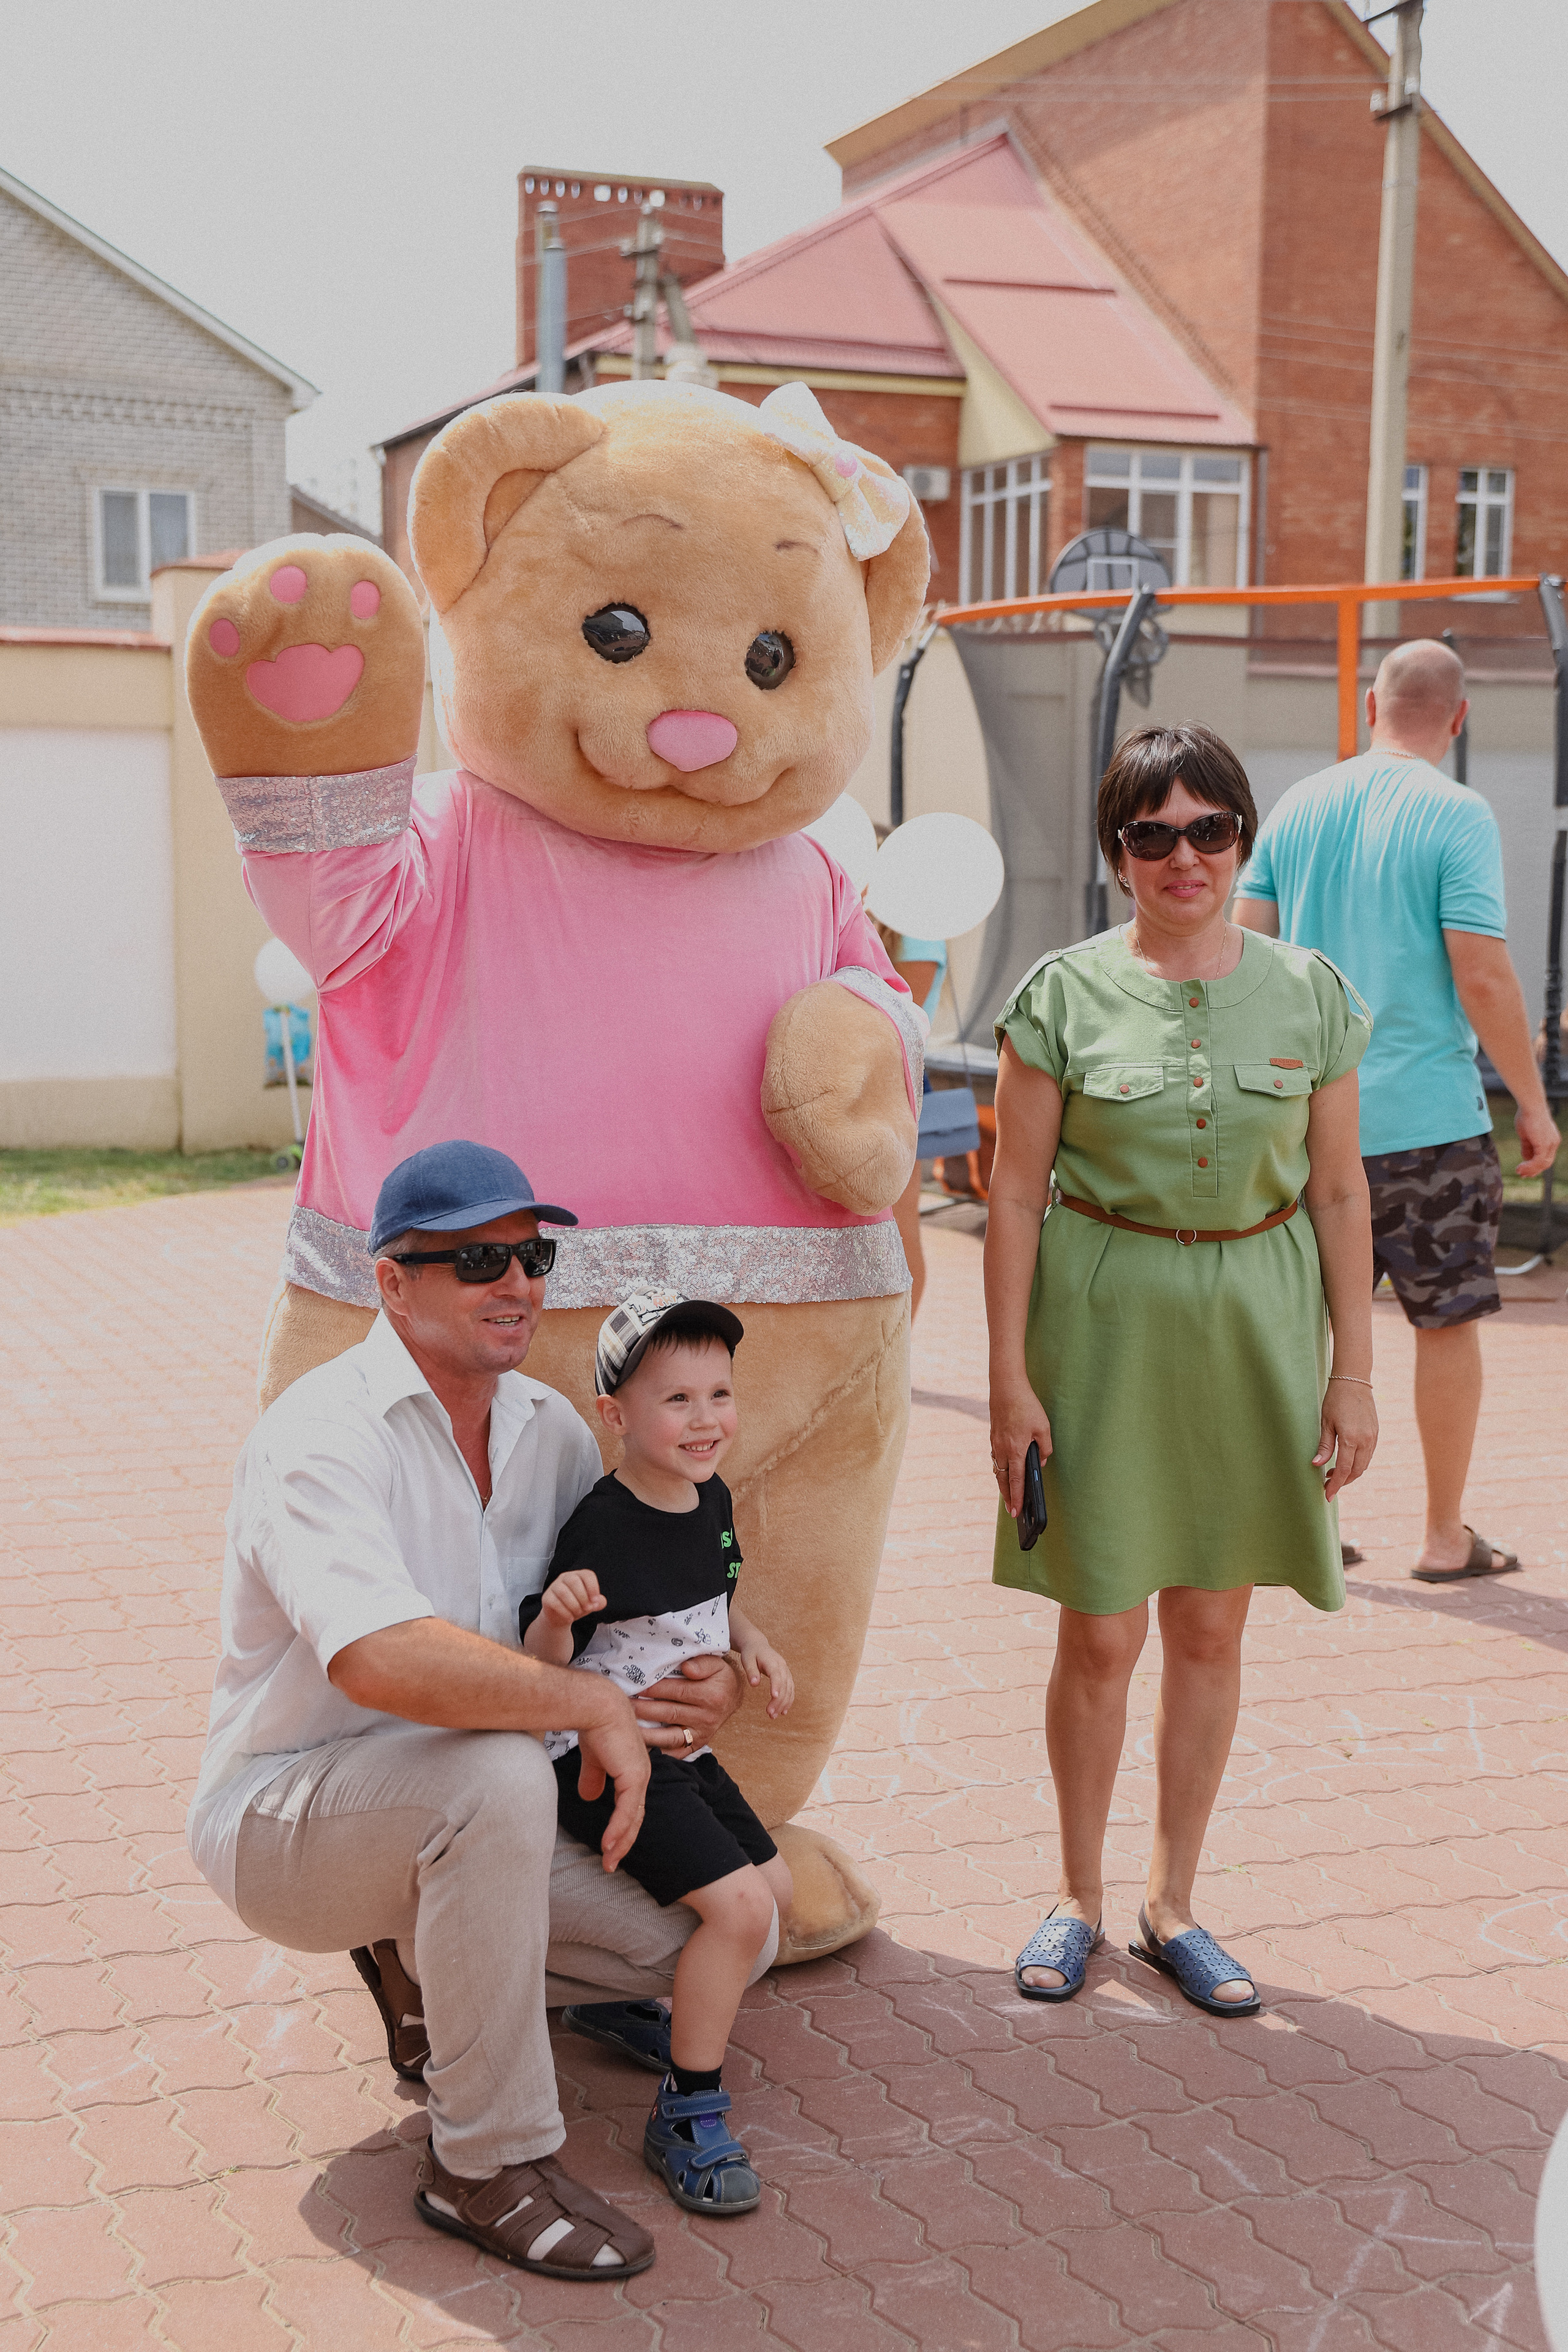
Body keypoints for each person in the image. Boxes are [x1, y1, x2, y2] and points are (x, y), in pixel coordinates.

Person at [187, 1140, 766, 2284]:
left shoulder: (549, 1429)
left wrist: (716, 1681)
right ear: (391, 1282)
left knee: (713, 1938)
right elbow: (380, 1660)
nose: (518, 1282)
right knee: (496, 1779)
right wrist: (586, 1700)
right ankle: (484, 2162)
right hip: (289, 1812)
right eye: (478, 1260)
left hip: (467, 1803)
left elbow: (630, 1611)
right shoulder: (320, 1434)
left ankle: (422, 1973)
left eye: (533, 1254)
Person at [987, 725, 1377, 2016]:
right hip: (1098, 1332)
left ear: (1241, 839)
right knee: (1097, 1627)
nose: (1182, 857)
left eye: (1207, 829)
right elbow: (1012, 1197)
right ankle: (1074, 1900)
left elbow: (1333, 1189)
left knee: (1210, 1622)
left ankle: (1171, 1905)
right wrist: (1006, 1380)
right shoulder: (1057, 995)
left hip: (1255, 1330)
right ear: (1117, 853)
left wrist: (1351, 1374)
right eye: (1150, 834)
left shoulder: (1310, 994)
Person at [1235, 639, 1561, 1584]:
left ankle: (1313, 1525)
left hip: (1305, 1125)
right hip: (1427, 1124)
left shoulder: (1298, 804)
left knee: (1313, 1326)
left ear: (1369, 705)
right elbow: (1484, 973)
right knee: (1447, 1323)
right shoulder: (1458, 814)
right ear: (1457, 719)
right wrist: (1533, 1106)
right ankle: (1443, 1536)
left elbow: (1248, 953)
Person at [522, 1292, 795, 2215]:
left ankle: (614, 2006)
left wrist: (752, 1643)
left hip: (680, 1751)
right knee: (740, 1911)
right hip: (600, 1759)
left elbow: (719, 1590)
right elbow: (537, 1670)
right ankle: (686, 2110)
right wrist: (557, 1619)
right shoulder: (604, 1523)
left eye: (719, 1394)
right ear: (617, 1415)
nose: (705, 1419)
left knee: (779, 1900)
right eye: (676, 1400)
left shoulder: (711, 1494)